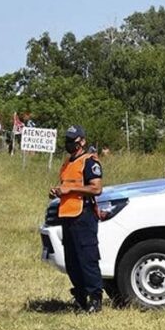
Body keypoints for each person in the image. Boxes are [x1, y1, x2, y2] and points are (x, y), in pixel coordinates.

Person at [49, 125, 104, 313]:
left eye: (72, 141)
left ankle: (95, 299)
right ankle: (80, 296)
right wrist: (57, 191)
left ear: (81, 141)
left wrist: (70, 190)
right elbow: (67, 185)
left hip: (84, 214)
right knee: (72, 261)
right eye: (67, 140)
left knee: (87, 258)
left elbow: (96, 188)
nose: (68, 144)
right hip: (66, 214)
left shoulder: (89, 162)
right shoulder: (67, 162)